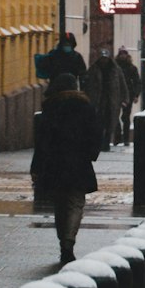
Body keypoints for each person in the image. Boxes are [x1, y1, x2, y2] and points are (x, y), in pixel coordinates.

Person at [30, 72, 103, 265]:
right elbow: (95, 133)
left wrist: (36, 167)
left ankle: (64, 242)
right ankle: (68, 242)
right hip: (79, 163)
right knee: (75, 203)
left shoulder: (51, 107)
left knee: (60, 205)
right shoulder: (86, 107)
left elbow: (42, 141)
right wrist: (90, 154)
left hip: (55, 164)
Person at [84, 47, 129, 150]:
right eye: (102, 58)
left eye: (106, 58)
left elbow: (122, 84)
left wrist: (125, 99)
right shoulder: (94, 69)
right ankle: (99, 142)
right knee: (98, 122)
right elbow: (88, 85)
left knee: (110, 122)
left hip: (111, 100)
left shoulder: (116, 70)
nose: (104, 60)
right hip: (98, 100)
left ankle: (106, 143)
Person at [115, 47, 142, 145]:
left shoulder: (131, 68)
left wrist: (136, 95)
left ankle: (125, 139)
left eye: (124, 54)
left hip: (128, 95)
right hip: (116, 94)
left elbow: (137, 82)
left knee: (125, 117)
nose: (122, 56)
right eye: (121, 54)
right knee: (115, 116)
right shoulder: (115, 67)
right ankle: (117, 137)